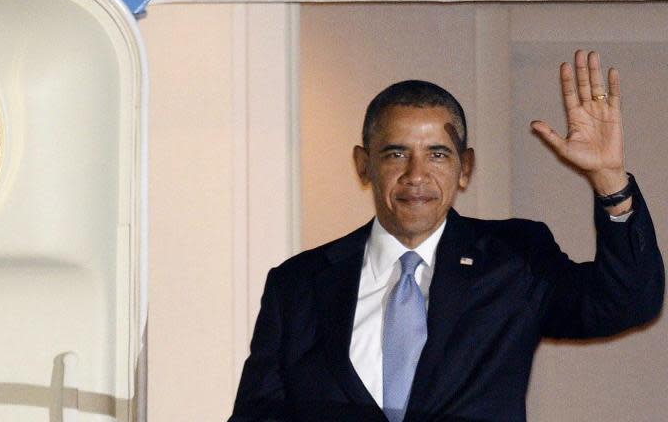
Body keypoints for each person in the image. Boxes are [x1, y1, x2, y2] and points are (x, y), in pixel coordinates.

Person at [229, 50, 664, 422]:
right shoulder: (298, 285)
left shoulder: (516, 260)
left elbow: (627, 302)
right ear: (363, 165)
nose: (416, 176)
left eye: (438, 155)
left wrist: (610, 181)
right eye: (396, 153)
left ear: (465, 168)